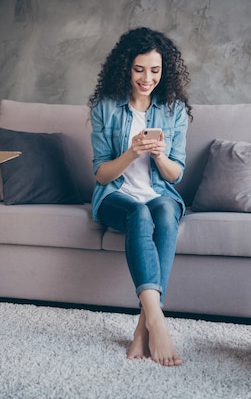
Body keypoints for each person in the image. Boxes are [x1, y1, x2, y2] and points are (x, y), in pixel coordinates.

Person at [88, 27, 192, 366]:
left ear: (165, 71)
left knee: (162, 211)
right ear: (125, 68)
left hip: (159, 192)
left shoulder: (173, 109)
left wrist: (160, 155)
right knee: (140, 214)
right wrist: (132, 153)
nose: (147, 78)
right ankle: (157, 321)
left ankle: (142, 326)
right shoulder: (106, 108)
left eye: (155, 70)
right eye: (139, 69)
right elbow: (101, 173)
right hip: (116, 196)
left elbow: (176, 174)